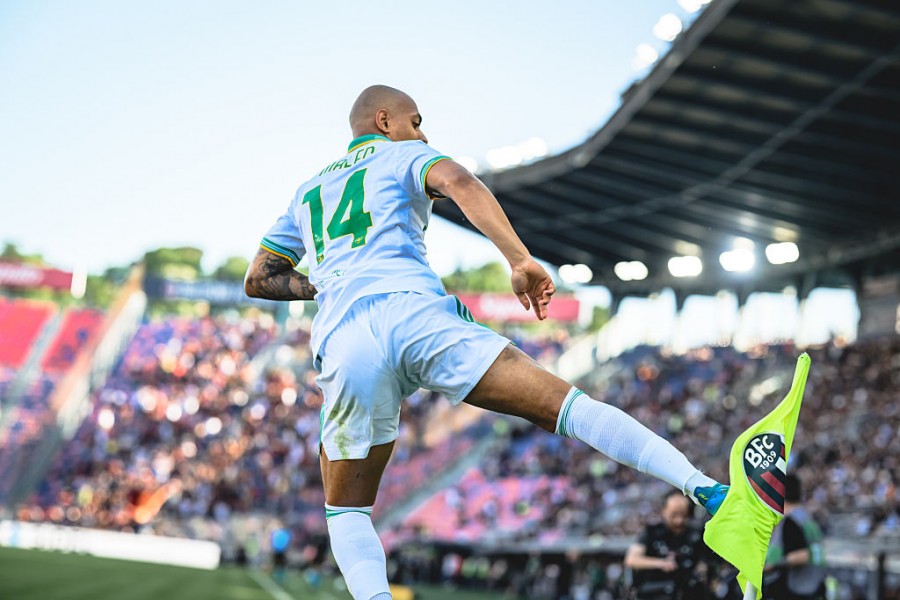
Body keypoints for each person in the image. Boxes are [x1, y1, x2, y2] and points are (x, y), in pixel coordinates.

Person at [244, 84, 729, 600]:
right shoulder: (402, 154)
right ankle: (706, 489)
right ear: (384, 121)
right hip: (414, 314)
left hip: (344, 339)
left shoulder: (307, 191)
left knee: (347, 511)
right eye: (415, 121)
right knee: (566, 406)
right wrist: (519, 258)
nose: (422, 133)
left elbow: (259, 278)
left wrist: (327, 284)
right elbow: (459, 180)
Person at [624, 490, 710, 600]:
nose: (679, 520)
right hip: (656, 591)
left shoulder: (696, 533)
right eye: (673, 515)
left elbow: (705, 560)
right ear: (664, 511)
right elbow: (632, 559)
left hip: (688, 591)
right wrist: (661, 563)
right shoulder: (651, 532)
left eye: (683, 515)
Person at [763, 474, 826, 600]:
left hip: (796, 590)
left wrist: (771, 566)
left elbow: (801, 555)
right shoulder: (807, 518)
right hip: (813, 586)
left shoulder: (791, 521)